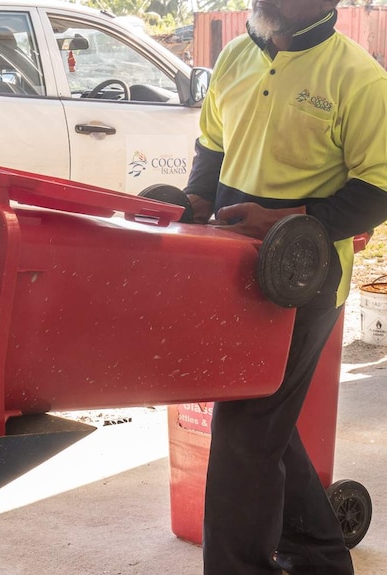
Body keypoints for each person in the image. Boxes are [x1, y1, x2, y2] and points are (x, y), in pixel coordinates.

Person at [183, 1, 387, 573]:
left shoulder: (359, 78)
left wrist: (285, 220)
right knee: (260, 420)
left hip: (303, 281)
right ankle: (321, 556)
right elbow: (213, 145)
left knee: (245, 430)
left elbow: (379, 186)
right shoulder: (232, 57)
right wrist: (193, 203)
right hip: (228, 272)